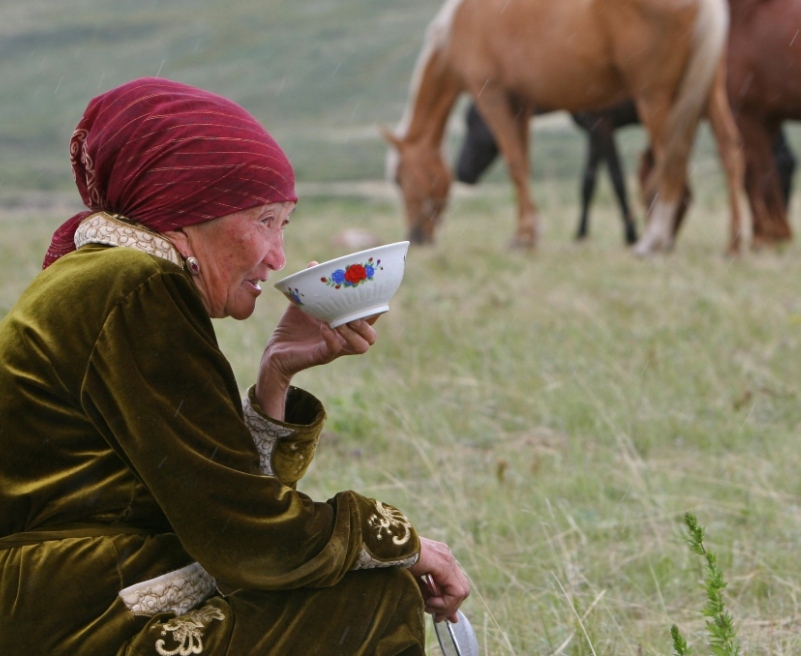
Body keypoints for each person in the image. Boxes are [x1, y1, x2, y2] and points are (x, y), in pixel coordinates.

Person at [0, 77, 469, 655]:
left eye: (284, 225)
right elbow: (242, 535)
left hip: (69, 599)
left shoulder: (105, 280)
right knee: (372, 600)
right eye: (263, 220)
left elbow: (214, 495)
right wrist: (396, 541)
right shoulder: (135, 286)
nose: (278, 256)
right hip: (74, 614)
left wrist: (275, 374)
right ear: (190, 211)